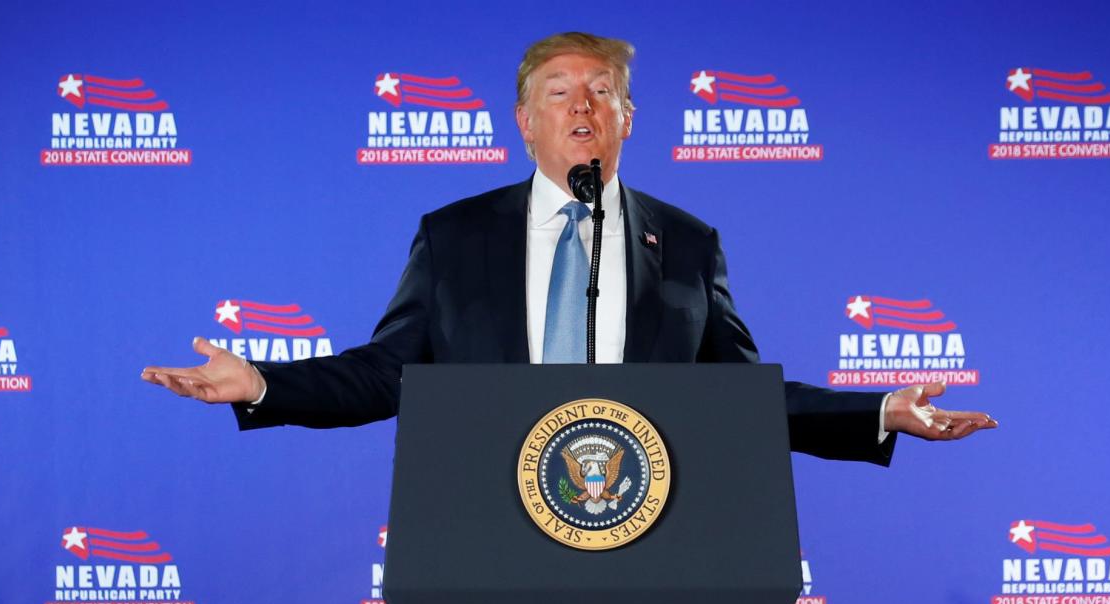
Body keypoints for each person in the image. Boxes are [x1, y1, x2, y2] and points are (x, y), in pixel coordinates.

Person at [142, 32, 996, 458]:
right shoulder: (457, 235)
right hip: (490, 531)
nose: (581, 107)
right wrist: (265, 383)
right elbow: (390, 370)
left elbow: (735, 395)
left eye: (602, 92)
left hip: (654, 534)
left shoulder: (688, 242)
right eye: (559, 93)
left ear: (628, 118)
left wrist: (876, 411)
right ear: (523, 122)